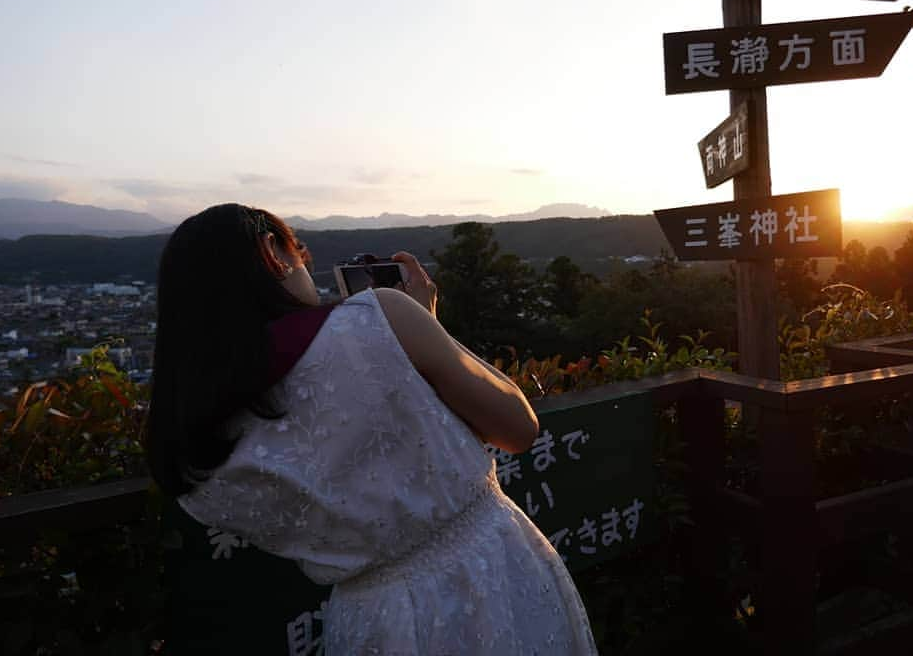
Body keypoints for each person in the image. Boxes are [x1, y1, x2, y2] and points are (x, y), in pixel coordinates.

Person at [147, 204, 597, 654]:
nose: (306, 264)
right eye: (299, 250)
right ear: (273, 253)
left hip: (367, 619)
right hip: (489, 576)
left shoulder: (191, 454)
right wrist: (426, 328)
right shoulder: (376, 319)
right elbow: (519, 428)